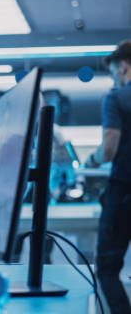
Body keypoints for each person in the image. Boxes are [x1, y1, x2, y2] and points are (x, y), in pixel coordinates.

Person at [85, 40, 131, 314]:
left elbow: (109, 149)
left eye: (115, 72)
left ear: (123, 66)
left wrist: (92, 158)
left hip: (124, 192)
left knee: (107, 268)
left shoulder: (116, 98)